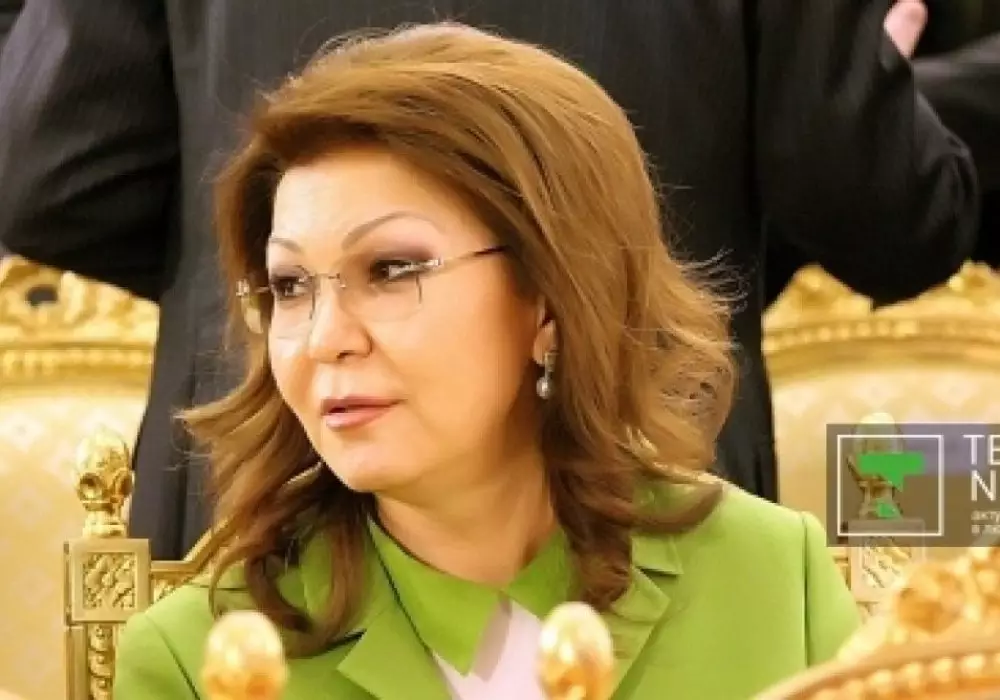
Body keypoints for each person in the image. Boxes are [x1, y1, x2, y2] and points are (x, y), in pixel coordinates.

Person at [0, 0, 980, 560]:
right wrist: (869, 100)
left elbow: (51, 178)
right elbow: (888, 220)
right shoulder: (772, 585)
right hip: (638, 474)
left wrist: (293, 271)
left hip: (264, 495)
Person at [112, 25, 860, 700]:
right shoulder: (192, 659)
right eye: (289, 286)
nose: (323, 338)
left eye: (391, 270)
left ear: (552, 298)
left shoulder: (774, 579)